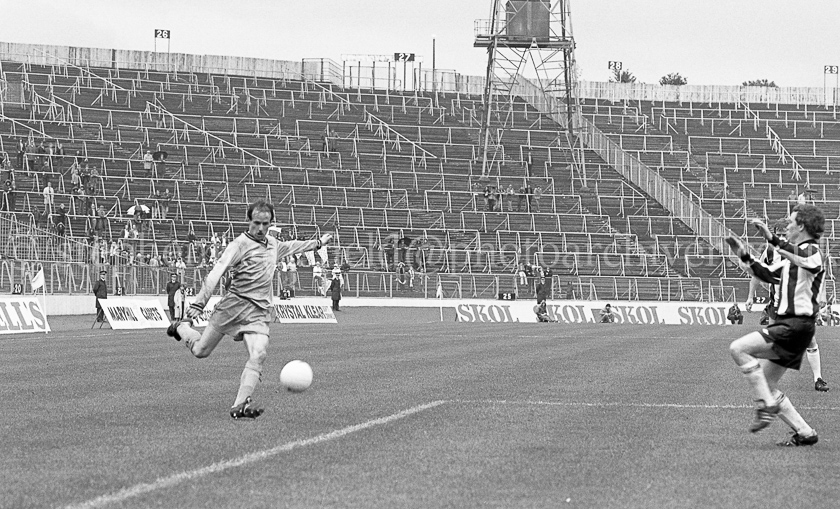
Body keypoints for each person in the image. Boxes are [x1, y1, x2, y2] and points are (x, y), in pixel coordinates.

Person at [166, 200, 331, 419]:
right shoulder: (238, 245)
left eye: (265, 224)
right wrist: (199, 303)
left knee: (259, 353)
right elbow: (215, 273)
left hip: (259, 311)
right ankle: (181, 328)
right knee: (200, 351)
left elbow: (293, 246)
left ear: (270, 223)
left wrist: (318, 243)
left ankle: (239, 405)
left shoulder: (273, 243)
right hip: (233, 305)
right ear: (249, 221)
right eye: (256, 223)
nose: (261, 228)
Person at [726, 205, 825, 446]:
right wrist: (743, 254)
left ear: (801, 226)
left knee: (738, 349)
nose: (788, 226)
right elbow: (766, 274)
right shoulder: (792, 258)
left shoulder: (811, 250)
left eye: (791, 222)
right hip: (793, 327)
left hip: (795, 325)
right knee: (768, 384)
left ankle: (765, 405)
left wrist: (771, 239)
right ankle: (805, 433)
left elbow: (805, 260)